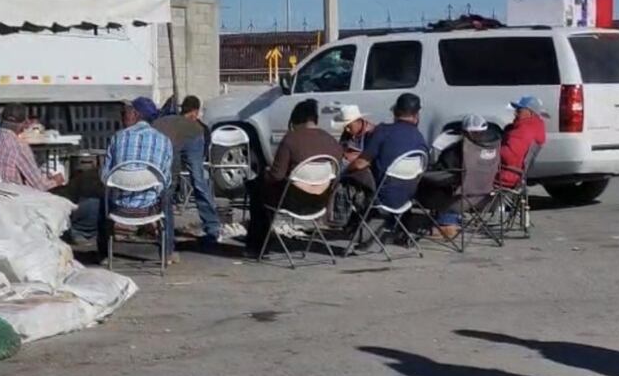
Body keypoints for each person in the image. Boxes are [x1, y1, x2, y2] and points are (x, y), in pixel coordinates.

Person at [244, 99, 343, 258]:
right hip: (321, 202)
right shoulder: (333, 142)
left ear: (295, 120)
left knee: (256, 188)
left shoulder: (291, 139)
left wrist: (263, 175)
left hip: (293, 201)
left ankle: (257, 247)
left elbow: (276, 176)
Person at [345, 93, 429, 249]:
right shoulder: (419, 138)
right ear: (416, 115)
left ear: (395, 112)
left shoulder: (383, 131)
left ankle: (349, 226)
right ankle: (397, 231)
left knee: (353, 176)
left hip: (382, 196)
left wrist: (345, 169)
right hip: (409, 196)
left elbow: (361, 163)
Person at [98, 98, 174, 265]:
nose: (123, 115)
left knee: (102, 197)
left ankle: (104, 253)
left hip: (120, 207)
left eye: (126, 112)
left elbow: (105, 177)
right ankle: (167, 252)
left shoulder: (118, 138)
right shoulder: (164, 140)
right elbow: (165, 180)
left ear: (135, 114)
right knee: (167, 193)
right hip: (150, 208)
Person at [153, 95, 221, 248]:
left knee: (166, 190)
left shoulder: (164, 122)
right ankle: (212, 228)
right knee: (198, 181)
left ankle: (163, 233)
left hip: (166, 151)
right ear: (195, 112)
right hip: (190, 140)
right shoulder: (196, 127)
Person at [420, 114, 502, 239]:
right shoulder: (494, 146)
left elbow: (442, 174)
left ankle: (447, 224)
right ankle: (448, 221)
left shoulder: (458, 151)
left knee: (432, 186)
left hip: (460, 200)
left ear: (464, 132)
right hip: (485, 197)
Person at [0, 103, 64, 191]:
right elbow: (40, 186)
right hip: (11, 196)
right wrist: (56, 181)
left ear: (0, 120)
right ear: (23, 124)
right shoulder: (19, 146)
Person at [498, 95, 548, 188]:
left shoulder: (524, 130)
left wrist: (492, 150)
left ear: (531, 113)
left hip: (506, 175)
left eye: (519, 110)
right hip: (514, 173)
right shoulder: (534, 127)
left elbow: (509, 157)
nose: (515, 113)